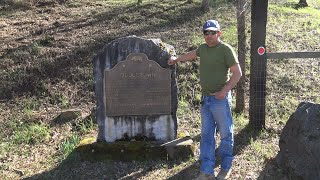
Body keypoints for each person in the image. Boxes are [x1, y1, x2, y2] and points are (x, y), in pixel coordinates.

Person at [168, 20, 242, 180]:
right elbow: (191, 55)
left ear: (219, 34)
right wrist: (176, 59)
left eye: (212, 32)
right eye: (206, 33)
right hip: (206, 100)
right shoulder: (203, 48)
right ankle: (207, 171)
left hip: (220, 100)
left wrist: (223, 92)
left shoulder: (225, 50)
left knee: (225, 134)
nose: (209, 36)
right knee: (207, 135)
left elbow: (237, 73)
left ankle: (225, 167)